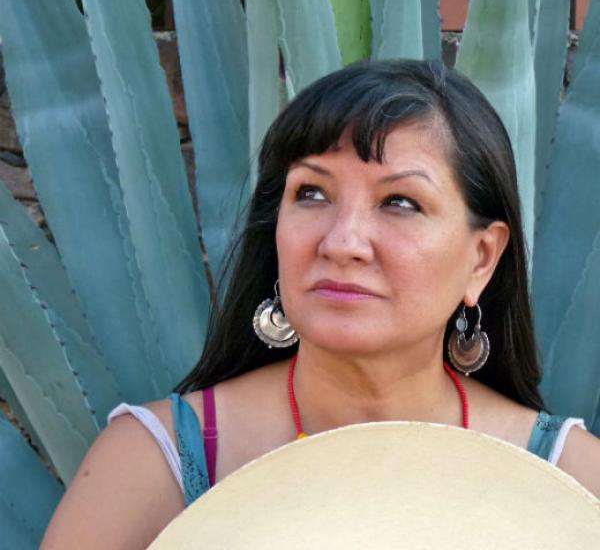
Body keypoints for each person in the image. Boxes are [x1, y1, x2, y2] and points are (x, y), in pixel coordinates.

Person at [41, 59, 600, 549]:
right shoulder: (157, 461)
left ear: (482, 258)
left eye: (400, 202)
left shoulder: (570, 481)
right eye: (311, 193)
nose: (342, 242)